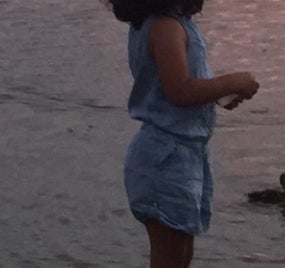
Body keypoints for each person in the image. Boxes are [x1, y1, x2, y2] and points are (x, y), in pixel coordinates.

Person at [109, 0, 260, 267]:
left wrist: (216, 94)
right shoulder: (166, 27)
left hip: (183, 153)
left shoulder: (171, 24)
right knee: (169, 257)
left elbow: (169, 87)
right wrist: (233, 82)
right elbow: (180, 90)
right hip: (164, 157)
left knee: (182, 253)